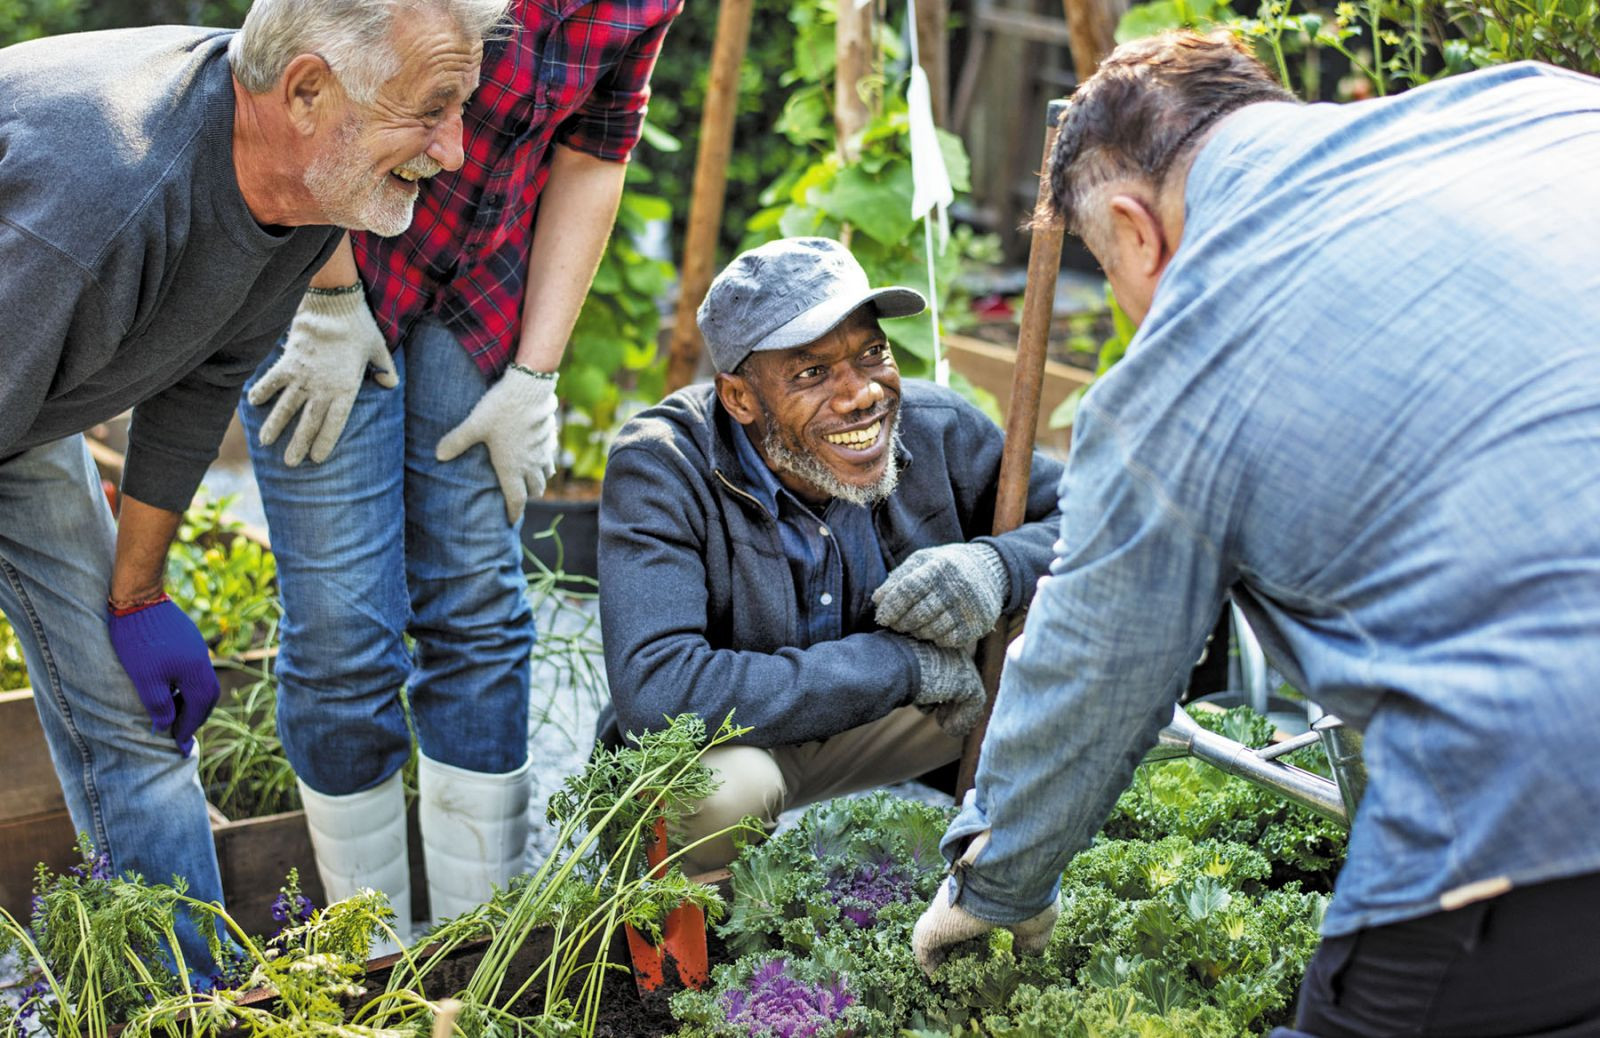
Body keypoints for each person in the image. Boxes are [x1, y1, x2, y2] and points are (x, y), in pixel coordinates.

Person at [910, 31, 1600, 1036]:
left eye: (1113, 278)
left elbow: (1093, 663)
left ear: (1131, 228)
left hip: (1537, 812)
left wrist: (994, 887)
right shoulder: (1537, 108)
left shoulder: (1182, 368)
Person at [0, 0, 507, 971]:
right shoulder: (105, 198)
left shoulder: (299, 201)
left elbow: (196, 378)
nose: (451, 151)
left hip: (29, 411)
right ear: (308, 89)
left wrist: (136, 595)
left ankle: (187, 1007)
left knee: (132, 728)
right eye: (431, 110)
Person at [237, 0, 682, 944]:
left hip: (481, 299)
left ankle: (472, 951)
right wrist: (324, 296)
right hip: (333, 259)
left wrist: (536, 374)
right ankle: (370, 952)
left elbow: (595, 158)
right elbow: (304, 81)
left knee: (479, 615)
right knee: (343, 637)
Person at [596, 236, 1067, 872]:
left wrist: (996, 566)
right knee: (714, 796)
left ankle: (1010, 876)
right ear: (739, 398)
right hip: (739, 745)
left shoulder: (936, 427)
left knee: (1071, 631)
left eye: (872, 353)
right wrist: (900, 666)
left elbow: (1093, 519)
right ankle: (710, 952)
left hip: (897, 723)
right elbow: (659, 690)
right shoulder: (662, 467)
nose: (861, 395)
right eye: (812, 373)